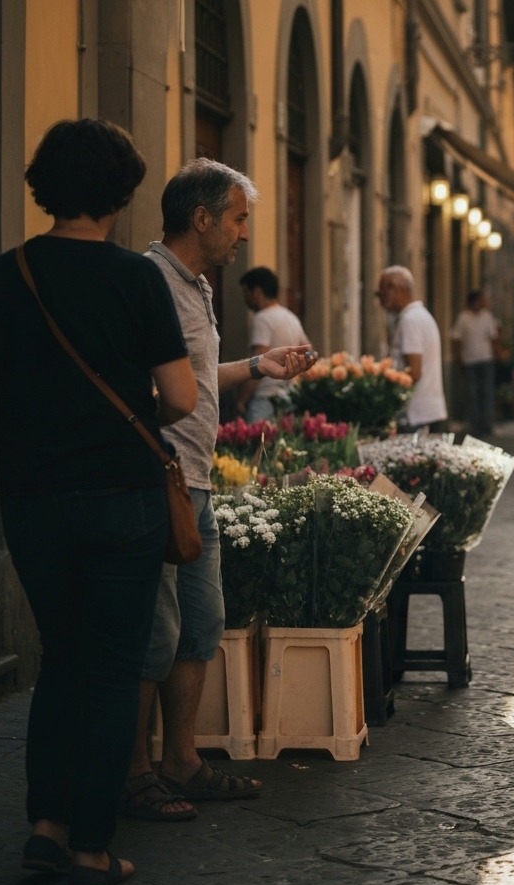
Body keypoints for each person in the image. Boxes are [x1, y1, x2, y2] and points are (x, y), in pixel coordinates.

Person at [0, 119, 198, 885]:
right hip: (125, 496)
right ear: (121, 194)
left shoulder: (1, 275)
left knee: (60, 661)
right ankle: (92, 845)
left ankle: (45, 828)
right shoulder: (136, 280)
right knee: (115, 671)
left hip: (32, 499)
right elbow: (183, 399)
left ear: (43, 186)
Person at [123, 159, 315, 823]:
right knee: (154, 629)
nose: (243, 235)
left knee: (201, 625)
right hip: (161, 478)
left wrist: (260, 366)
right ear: (200, 218)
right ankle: (135, 771)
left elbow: (198, 377)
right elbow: (136, 386)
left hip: (197, 480)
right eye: (237, 219)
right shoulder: (149, 281)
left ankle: (183, 761)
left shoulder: (198, 285)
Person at [234, 266, 310, 422]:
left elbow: (257, 363)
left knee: (260, 444)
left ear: (257, 292)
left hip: (265, 399)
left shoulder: (262, 319)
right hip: (288, 398)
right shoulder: (291, 317)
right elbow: (308, 352)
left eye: (246, 293)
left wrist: (242, 400)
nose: (245, 299)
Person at [376, 266, 447, 430]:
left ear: (397, 289)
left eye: (382, 292)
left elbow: (414, 371)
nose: (380, 299)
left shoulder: (410, 320)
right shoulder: (420, 316)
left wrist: (382, 379)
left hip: (417, 414)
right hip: (427, 410)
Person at [452, 289, 499, 436]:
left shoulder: (487, 316)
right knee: (471, 393)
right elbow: (457, 339)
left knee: (486, 392)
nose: (481, 304)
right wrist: (458, 359)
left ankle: (487, 423)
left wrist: (497, 355)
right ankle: (474, 424)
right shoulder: (463, 318)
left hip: (486, 359)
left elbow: (493, 337)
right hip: (470, 361)